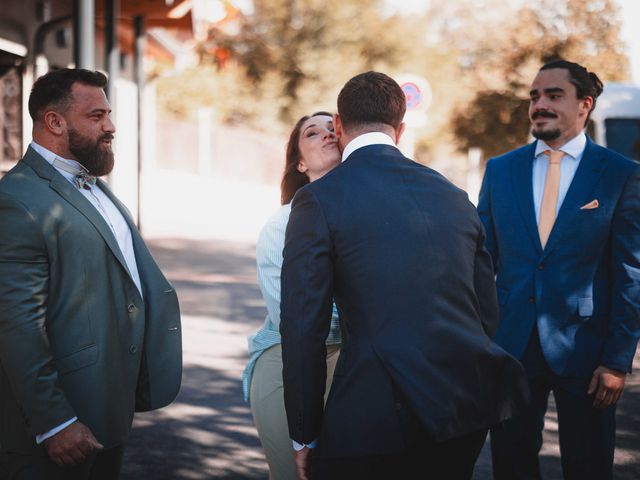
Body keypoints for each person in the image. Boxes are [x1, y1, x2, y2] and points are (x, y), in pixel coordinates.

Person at [279, 71, 529, 480]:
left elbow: (303, 325)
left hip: (372, 418)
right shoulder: (454, 196)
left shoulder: (318, 200)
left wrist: (303, 434)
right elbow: (486, 310)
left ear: (339, 126)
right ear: (400, 129)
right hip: (459, 413)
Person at [0, 68, 182, 479]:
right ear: (55, 122)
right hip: (61, 426)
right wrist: (55, 421)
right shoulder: (17, 201)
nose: (111, 126)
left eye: (108, 114)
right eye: (97, 116)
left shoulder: (93, 184)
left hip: (107, 410)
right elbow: (17, 325)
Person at [478, 59, 640, 480]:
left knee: (588, 467)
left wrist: (617, 361)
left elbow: (630, 273)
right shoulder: (500, 170)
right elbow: (481, 262)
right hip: (510, 349)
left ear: (584, 104)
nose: (539, 104)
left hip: (586, 352)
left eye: (553, 95)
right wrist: (478, 342)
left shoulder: (620, 175)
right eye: (534, 96)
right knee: (511, 466)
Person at [242, 112, 342, 480]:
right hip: (287, 366)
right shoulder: (281, 225)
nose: (326, 135)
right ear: (300, 163)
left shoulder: (368, 214)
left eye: (333, 128)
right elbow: (302, 323)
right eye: (312, 133)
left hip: (352, 366)